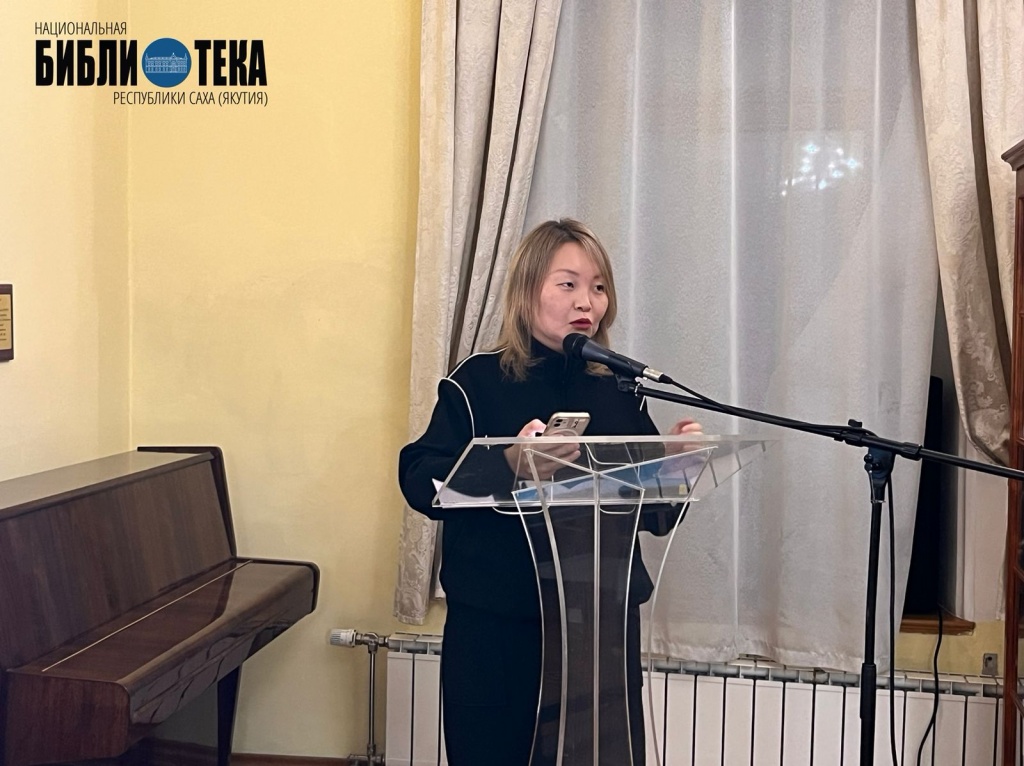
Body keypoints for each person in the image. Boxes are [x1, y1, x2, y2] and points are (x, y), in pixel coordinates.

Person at [398, 218, 701, 765]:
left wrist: (674, 468)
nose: (587, 301)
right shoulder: (477, 382)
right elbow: (420, 479)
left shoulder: (619, 390)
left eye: (599, 286)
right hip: (499, 626)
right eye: (568, 284)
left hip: (600, 628)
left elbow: (654, 517)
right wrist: (507, 465)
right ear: (526, 290)